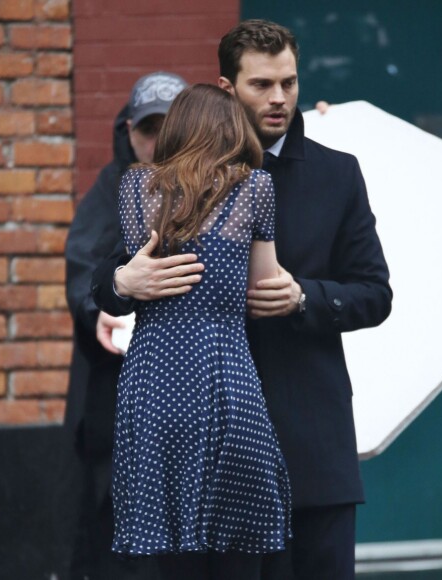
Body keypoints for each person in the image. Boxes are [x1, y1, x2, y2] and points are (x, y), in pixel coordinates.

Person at [91, 20, 392, 580]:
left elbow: (375, 293)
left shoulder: (336, 172)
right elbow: (108, 277)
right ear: (227, 88)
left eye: (290, 82)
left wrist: (306, 297)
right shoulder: (163, 182)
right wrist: (123, 287)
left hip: (308, 446)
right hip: (197, 442)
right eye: (262, 85)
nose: (279, 98)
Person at [112, 82, 292, 578]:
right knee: (236, 547)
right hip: (224, 377)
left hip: (153, 380)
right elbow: (263, 288)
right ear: (234, 131)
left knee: (161, 550)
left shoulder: (136, 188)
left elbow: (136, 262)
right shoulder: (255, 187)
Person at [63, 71, 189, 580]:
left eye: (171, 127)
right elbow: (81, 272)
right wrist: (102, 311)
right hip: (118, 401)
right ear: (129, 130)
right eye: (148, 129)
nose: (158, 142)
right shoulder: (111, 190)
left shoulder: (220, 191)